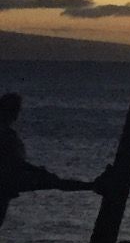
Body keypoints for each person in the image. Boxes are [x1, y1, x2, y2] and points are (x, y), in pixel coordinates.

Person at [0, 91, 100, 231]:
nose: (17, 114)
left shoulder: (7, 133)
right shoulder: (6, 134)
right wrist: (37, 171)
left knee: (55, 182)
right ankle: (93, 186)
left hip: (11, 178)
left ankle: (92, 186)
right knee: (55, 182)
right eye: (15, 110)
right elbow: (14, 162)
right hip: (8, 179)